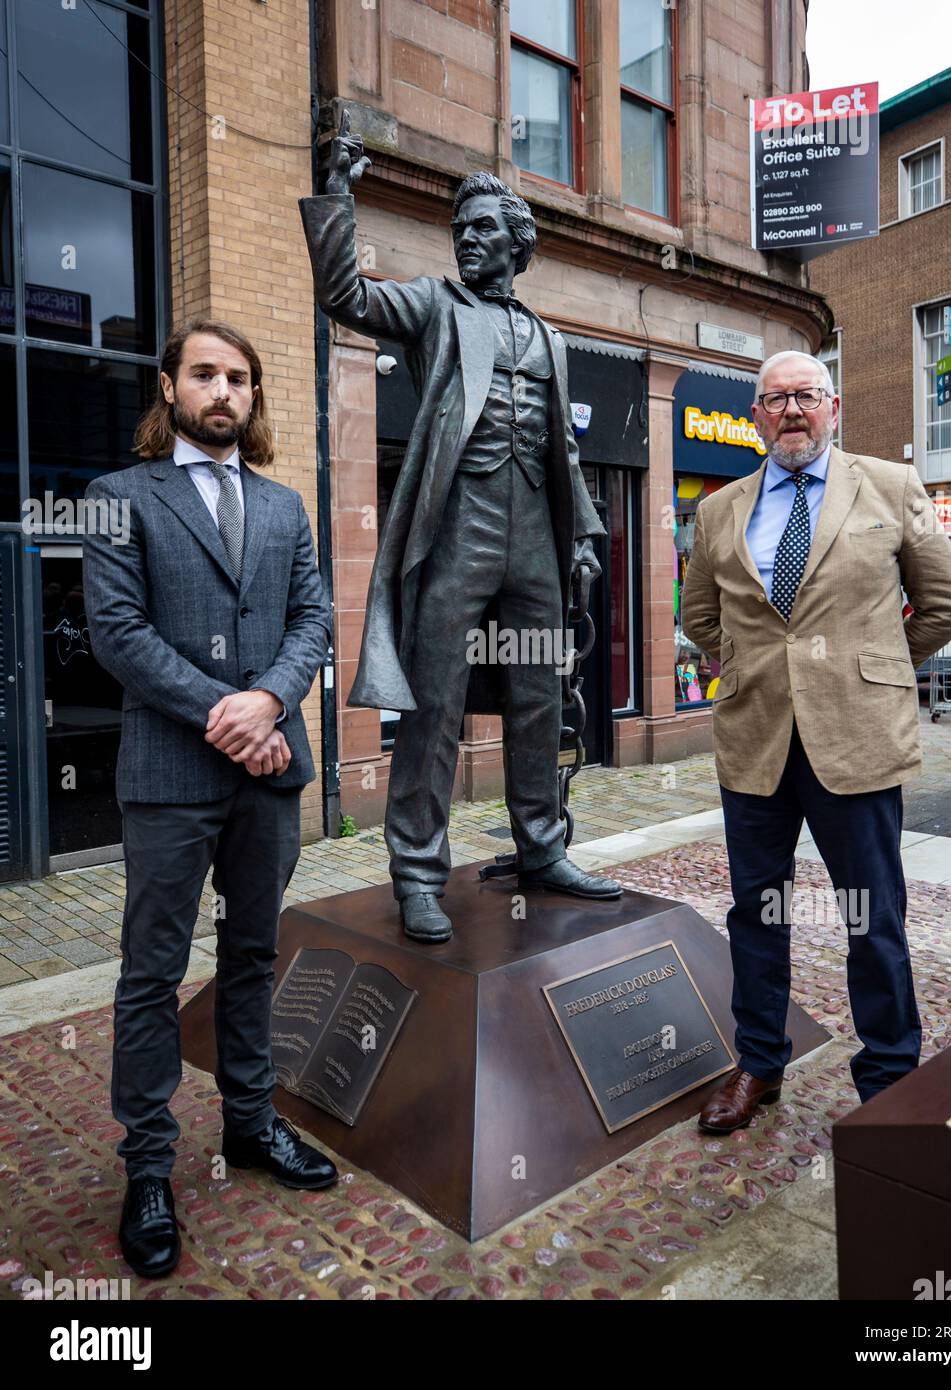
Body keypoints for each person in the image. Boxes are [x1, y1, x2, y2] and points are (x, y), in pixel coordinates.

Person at [299, 111, 620, 943]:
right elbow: (346, 295)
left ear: (517, 242)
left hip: (536, 541)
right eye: (458, 231)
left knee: (538, 699)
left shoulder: (547, 334)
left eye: (481, 230)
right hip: (460, 527)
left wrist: (581, 531)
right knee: (435, 707)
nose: (465, 243)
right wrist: (337, 193)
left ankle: (542, 849)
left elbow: (564, 450)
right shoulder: (435, 307)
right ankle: (416, 871)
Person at [83, 320, 336, 1279]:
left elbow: (312, 616)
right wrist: (227, 711)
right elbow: (116, 632)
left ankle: (249, 1123)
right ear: (170, 387)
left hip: (269, 770)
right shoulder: (117, 499)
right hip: (170, 774)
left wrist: (269, 698)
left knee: (253, 953)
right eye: (204, 375)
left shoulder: (283, 507)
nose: (221, 391)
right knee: (152, 971)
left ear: (255, 395)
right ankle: (148, 1166)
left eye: (238, 378)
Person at [681, 350, 951, 1131]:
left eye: (805, 396)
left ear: (834, 406)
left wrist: (870, 669)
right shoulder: (720, 510)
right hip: (756, 740)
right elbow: (698, 619)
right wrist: (749, 670)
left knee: (871, 915)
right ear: (756, 418)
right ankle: (759, 1068)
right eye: (775, 401)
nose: (792, 412)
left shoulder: (889, 486)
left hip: (856, 740)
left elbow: (943, 605)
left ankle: (889, 1079)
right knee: (757, 912)